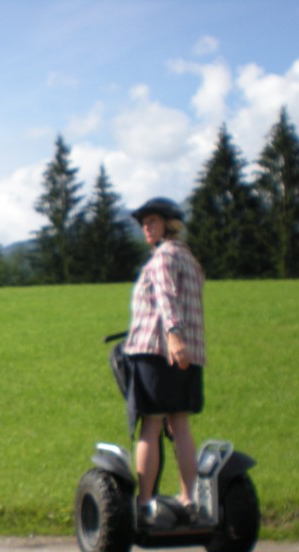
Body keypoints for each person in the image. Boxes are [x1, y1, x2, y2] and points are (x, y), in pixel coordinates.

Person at [123, 197, 205, 529]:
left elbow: (166, 297)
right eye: (144, 223)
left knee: (152, 427)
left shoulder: (162, 257)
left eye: (152, 221)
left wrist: (172, 335)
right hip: (189, 355)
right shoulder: (190, 259)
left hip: (156, 351)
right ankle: (188, 498)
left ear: (169, 224)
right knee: (181, 425)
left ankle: (144, 504)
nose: (146, 227)